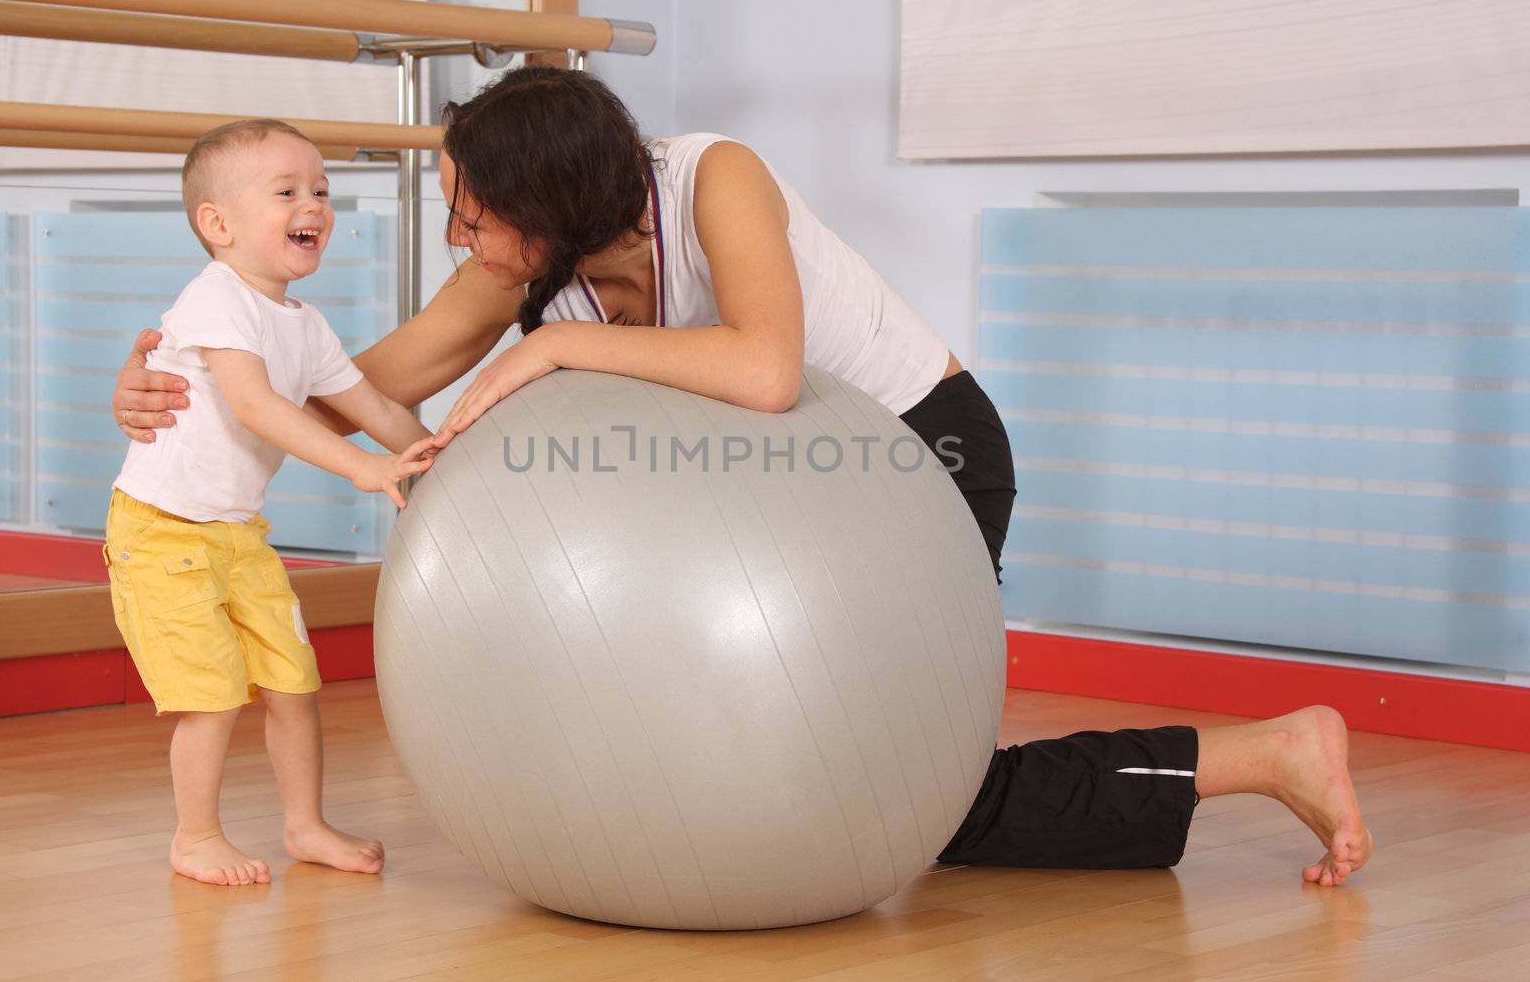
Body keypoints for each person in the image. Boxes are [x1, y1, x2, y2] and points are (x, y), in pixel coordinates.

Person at [114, 69, 1373, 886]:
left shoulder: (713, 176)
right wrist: (193, 379)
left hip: (912, 453)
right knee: (795, 769)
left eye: (472, 213)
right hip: (761, 504)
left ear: (546, 201)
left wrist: (551, 341)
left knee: (906, 800)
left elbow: (768, 369)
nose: (460, 239)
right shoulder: (522, 255)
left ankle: (1261, 756)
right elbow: (360, 381)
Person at [107, 119, 437, 887]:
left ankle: (306, 825)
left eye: (321, 189)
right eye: (287, 191)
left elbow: (376, 408)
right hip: (161, 535)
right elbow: (255, 406)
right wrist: (363, 469)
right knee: (212, 694)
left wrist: (439, 460)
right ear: (217, 225)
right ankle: (196, 836)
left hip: (236, 535)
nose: (314, 204)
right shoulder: (217, 297)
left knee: (293, 682)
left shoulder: (305, 325)